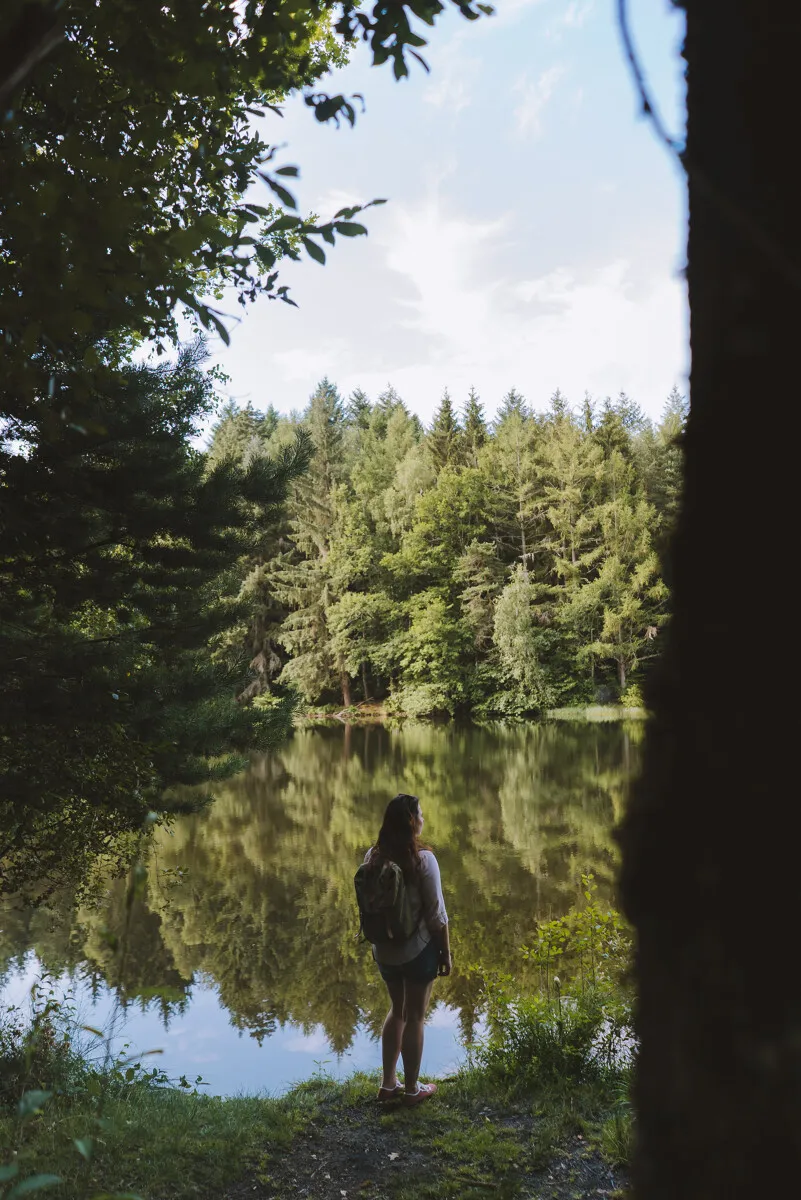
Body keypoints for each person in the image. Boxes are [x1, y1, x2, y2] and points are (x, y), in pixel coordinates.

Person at [363, 792, 451, 1106]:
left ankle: (388, 1084)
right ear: (412, 821)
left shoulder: (373, 856)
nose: (424, 819)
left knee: (396, 1010)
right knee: (415, 1017)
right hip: (417, 951)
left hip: (384, 951)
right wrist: (446, 954)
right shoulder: (424, 860)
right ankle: (412, 1090)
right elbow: (437, 916)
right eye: (421, 814)